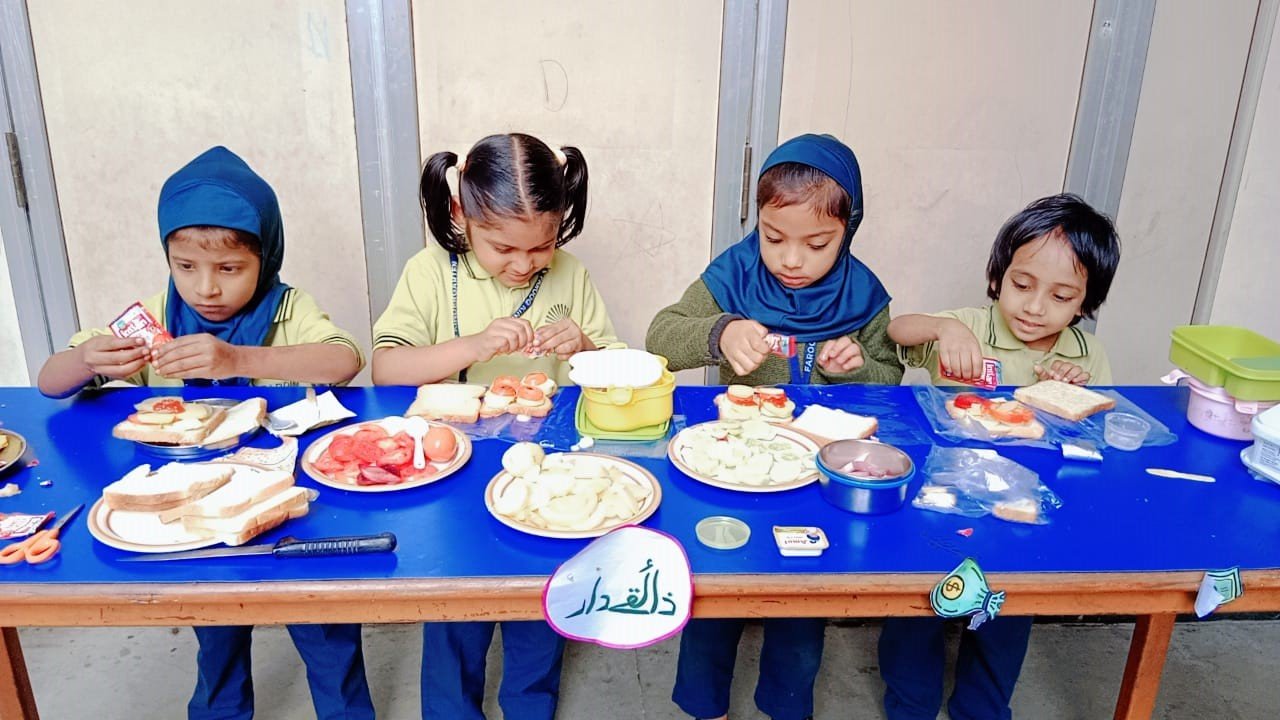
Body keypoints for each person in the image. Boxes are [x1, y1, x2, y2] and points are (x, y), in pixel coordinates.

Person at [37, 146, 372, 720]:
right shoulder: (155, 316)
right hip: (191, 505)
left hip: (287, 499)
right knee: (215, 627)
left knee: (323, 625)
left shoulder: (287, 309)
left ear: (265, 258)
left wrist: (237, 358)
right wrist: (90, 359)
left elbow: (345, 360)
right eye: (185, 266)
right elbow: (49, 382)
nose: (206, 288)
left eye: (229, 269)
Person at [647, 133, 903, 720]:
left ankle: (786, 706)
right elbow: (661, 335)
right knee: (714, 598)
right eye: (773, 237)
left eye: (817, 244)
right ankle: (705, 706)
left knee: (801, 608)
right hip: (731, 467)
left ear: (848, 229)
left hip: (815, 479)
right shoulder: (733, 275)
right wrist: (720, 331)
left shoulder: (863, 294)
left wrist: (858, 368)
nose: (791, 259)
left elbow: (889, 379)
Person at [371, 132, 617, 719]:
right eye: (502, 247)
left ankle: (530, 706)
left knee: (540, 603)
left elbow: (614, 373)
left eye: (542, 246)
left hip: (545, 476)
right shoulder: (431, 272)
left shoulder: (571, 275)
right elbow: (385, 368)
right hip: (452, 474)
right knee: (455, 605)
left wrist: (585, 347)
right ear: (461, 214)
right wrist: (473, 345)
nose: (524, 264)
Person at [881, 192, 1121, 720]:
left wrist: (1075, 394)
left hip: (1025, 508)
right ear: (998, 276)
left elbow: (1094, 439)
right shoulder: (968, 325)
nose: (1034, 307)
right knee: (917, 604)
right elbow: (897, 330)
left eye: (1061, 295)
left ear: (1085, 303)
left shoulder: (1086, 355)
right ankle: (909, 704)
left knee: (1008, 613)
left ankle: (983, 707)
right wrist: (943, 328)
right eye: (1022, 284)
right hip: (944, 496)